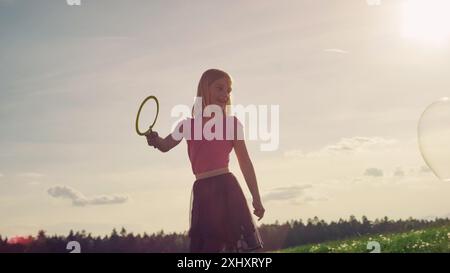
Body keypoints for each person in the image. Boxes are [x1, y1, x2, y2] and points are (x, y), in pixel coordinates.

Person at [145, 68, 265, 253]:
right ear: (204, 90)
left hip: (227, 189)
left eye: (228, 90)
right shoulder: (188, 125)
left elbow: (245, 162)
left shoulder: (231, 124)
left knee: (234, 245)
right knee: (209, 247)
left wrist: (256, 198)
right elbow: (165, 145)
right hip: (204, 193)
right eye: (219, 88)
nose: (225, 94)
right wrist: (155, 140)